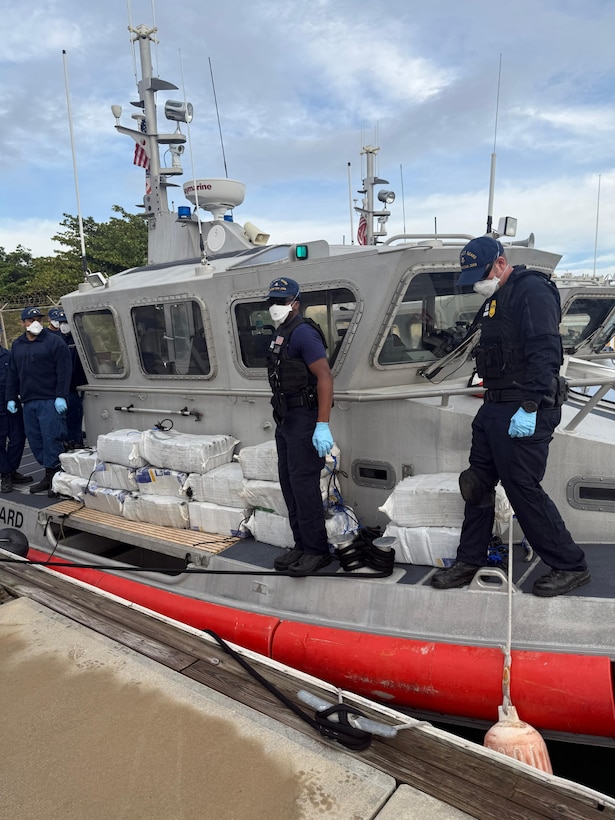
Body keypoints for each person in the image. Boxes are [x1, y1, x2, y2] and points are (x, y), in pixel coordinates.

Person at [431, 236, 590, 597]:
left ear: (501, 263)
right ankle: (469, 560)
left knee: (521, 488)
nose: (477, 282)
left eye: (481, 274)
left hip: (524, 406)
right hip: (494, 406)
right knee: (476, 484)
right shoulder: (497, 298)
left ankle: (570, 565)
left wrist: (531, 407)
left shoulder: (531, 290)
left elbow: (546, 351)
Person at [266, 277, 335, 576]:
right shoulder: (281, 332)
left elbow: (324, 377)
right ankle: (301, 544)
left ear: (295, 303)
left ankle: (317, 551)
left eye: (281, 301)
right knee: (289, 483)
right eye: (272, 301)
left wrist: (322, 424)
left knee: (304, 486)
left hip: (304, 420)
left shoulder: (304, 333)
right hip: (286, 420)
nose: (275, 306)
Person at [6, 307, 71, 494]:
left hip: (50, 400)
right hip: (29, 401)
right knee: (35, 439)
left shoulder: (54, 342)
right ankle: (49, 471)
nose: (35, 323)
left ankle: (55, 476)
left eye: (38, 319)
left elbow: (64, 370)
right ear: (23, 323)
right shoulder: (18, 345)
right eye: (30, 319)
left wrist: (61, 395)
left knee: (52, 437)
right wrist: (11, 397)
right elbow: (13, 373)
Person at [48, 307, 86, 448]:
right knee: (60, 420)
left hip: (75, 385)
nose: (63, 325)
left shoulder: (77, 337)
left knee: (75, 417)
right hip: (59, 388)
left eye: (65, 321)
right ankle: (65, 445)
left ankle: (76, 443)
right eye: (60, 322)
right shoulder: (52, 340)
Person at [0, 345, 32, 493]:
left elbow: (19, 377)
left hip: (12, 405)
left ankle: (11, 470)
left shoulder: (9, 355)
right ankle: (5, 474)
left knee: (18, 439)